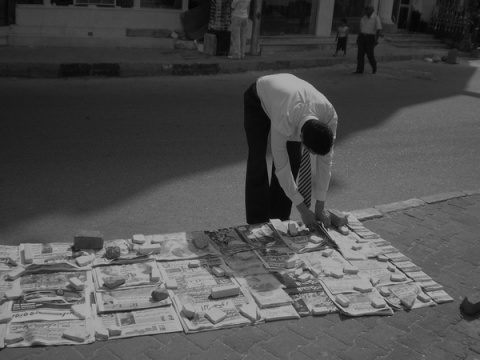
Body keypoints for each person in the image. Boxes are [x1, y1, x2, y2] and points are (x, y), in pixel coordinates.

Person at [243, 73, 338, 231]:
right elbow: (281, 168)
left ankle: (279, 219)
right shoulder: (285, 119)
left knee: (294, 161)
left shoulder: (329, 116)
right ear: (302, 140)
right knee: (257, 161)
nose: (313, 157)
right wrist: (303, 210)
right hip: (259, 99)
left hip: (288, 98)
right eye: (311, 152)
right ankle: (257, 222)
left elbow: (326, 161)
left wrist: (320, 206)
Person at [353, 5, 382, 74]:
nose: (365, 11)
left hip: (370, 37)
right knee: (360, 54)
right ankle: (359, 70)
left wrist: (376, 39)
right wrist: (358, 38)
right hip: (362, 37)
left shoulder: (376, 18)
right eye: (365, 9)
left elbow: (379, 29)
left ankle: (374, 65)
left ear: (371, 10)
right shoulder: (363, 18)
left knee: (370, 54)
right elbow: (361, 29)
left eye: (367, 9)